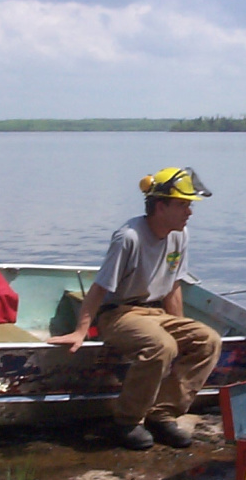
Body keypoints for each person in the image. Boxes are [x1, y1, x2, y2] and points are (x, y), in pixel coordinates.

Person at [48, 167, 222, 450]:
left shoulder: (181, 235)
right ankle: (128, 421)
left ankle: (162, 413)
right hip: (119, 313)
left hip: (157, 312)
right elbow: (99, 289)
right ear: (160, 206)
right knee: (161, 346)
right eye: (182, 205)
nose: (189, 212)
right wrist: (81, 331)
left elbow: (174, 285)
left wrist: (180, 328)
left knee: (209, 341)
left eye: (189, 205)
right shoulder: (129, 237)